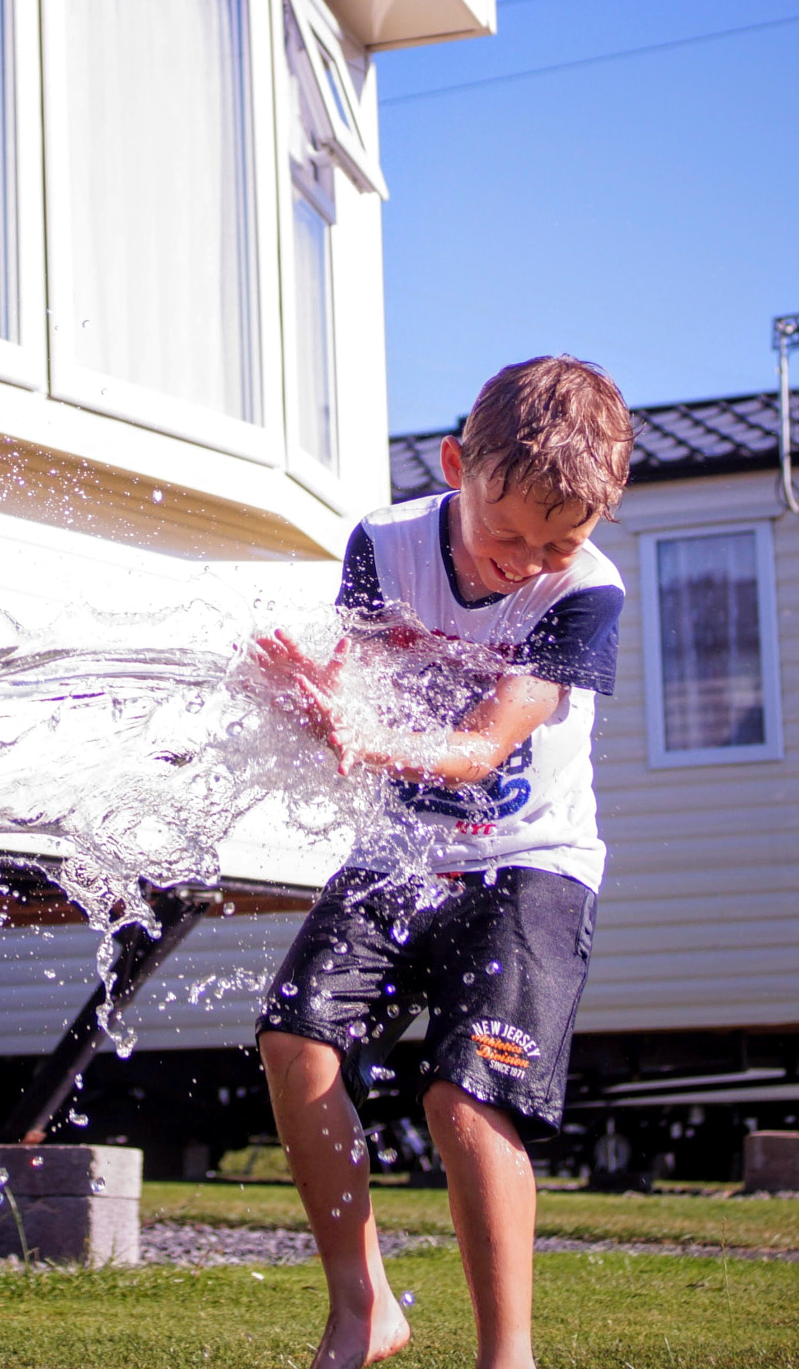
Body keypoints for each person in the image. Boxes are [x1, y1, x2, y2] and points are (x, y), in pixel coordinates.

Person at [250, 355, 632, 1369]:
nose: (523, 562)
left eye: (558, 541)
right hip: (400, 850)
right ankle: (361, 1303)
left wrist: (360, 737)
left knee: (461, 1099)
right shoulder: (382, 544)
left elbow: (477, 747)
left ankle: (506, 1357)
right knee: (294, 1038)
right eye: (506, 533)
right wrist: (316, 703)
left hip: (529, 860)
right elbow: (362, 684)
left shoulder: (585, 594)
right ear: (457, 465)